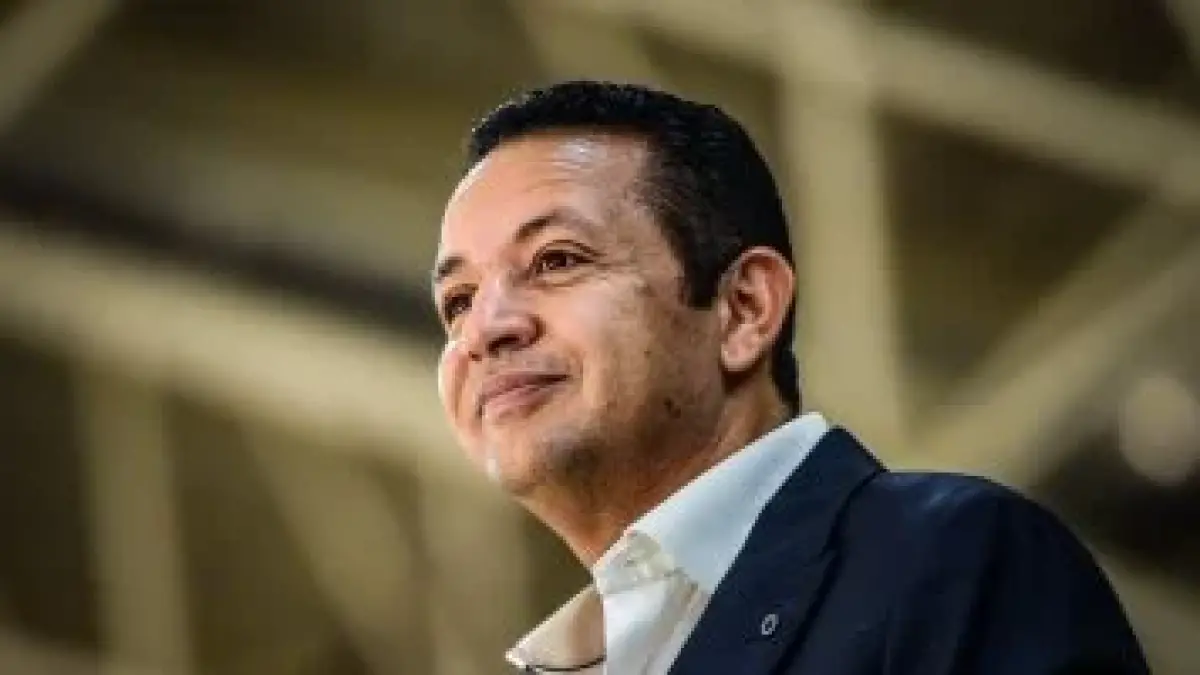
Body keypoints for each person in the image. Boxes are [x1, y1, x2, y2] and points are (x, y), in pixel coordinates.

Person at [430, 81, 1150, 674]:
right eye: (457, 301)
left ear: (744, 308)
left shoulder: (954, 559)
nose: (486, 328)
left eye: (557, 259)